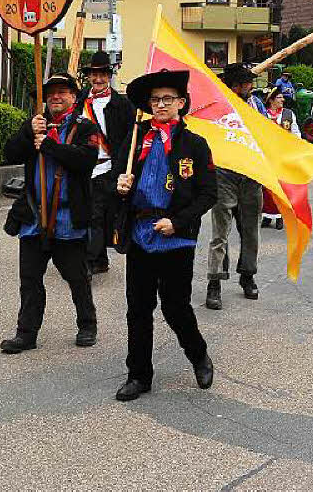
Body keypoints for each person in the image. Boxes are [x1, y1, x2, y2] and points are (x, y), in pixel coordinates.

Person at [113, 69, 217, 400]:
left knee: (175, 306)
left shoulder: (195, 145)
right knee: (138, 308)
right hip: (141, 232)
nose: (160, 104)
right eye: (155, 99)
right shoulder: (134, 139)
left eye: (167, 99)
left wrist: (178, 222)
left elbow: (207, 194)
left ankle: (198, 354)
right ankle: (139, 375)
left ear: (181, 103)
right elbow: (117, 178)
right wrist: (120, 185)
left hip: (177, 235)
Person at [0, 74, 99, 354]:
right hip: (33, 216)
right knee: (30, 280)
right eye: (51, 93)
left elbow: (84, 160)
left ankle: (87, 324)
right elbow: (10, 153)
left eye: (63, 92)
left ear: (74, 97)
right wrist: (29, 133)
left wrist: (50, 145)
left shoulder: (86, 127)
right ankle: (26, 334)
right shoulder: (35, 125)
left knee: (76, 277)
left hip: (68, 219)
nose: (56, 97)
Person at [206, 62, 264, 311]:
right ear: (232, 86)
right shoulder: (216, 107)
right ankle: (215, 282)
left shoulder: (256, 105)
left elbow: (266, 134)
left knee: (250, 230)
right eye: (244, 84)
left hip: (251, 174)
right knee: (220, 233)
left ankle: (247, 275)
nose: (248, 87)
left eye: (249, 83)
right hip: (224, 174)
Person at [75, 51, 136, 275]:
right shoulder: (79, 100)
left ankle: (89, 262)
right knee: (88, 213)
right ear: (89, 76)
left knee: (97, 214)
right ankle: (99, 259)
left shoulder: (121, 104)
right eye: (94, 75)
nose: (98, 79)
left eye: (102, 74)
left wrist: (120, 168)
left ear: (109, 76)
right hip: (82, 166)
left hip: (107, 167)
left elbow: (131, 137)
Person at [260, 87, 300, 230]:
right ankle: (267, 215)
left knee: (282, 187)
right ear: (271, 100)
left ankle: (281, 216)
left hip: (284, 155)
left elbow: (295, 132)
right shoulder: (263, 115)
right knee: (267, 187)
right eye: (279, 98)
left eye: (282, 97)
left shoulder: (289, 114)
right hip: (268, 155)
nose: (282, 100)